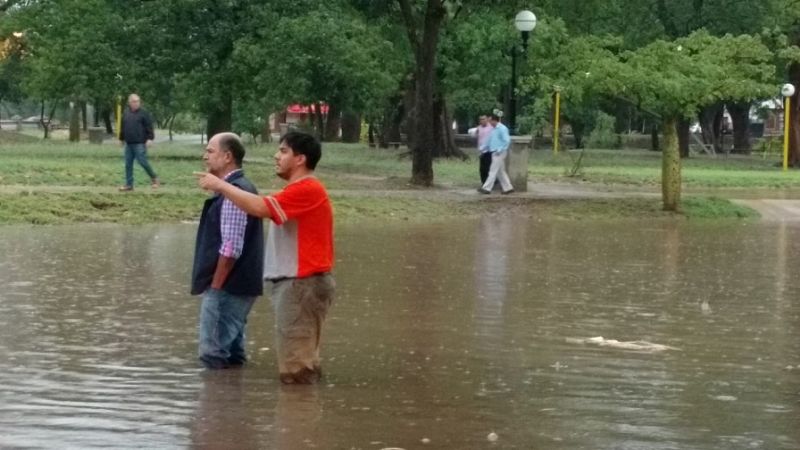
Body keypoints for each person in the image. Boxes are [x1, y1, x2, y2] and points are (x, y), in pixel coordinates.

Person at [195, 131, 335, 384]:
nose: (275, 156)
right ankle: (305, 414)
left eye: (283, 151)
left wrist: (220, 185)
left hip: (300, 284)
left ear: (300, 159)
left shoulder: (307, 188)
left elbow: (259, 208)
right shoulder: (298, 190)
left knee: (296, 370)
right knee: (303, 362)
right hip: (301, 284)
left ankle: (299, 417)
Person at [191, 132, 264, 369]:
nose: (205, 157)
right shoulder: (240, 188)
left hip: (227, 287)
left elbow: (231, 247)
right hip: (241, 284)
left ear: (228, 157)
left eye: (210, 151)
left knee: (212, 354)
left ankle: (214, 402)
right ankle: (230, 399)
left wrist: (216, 287)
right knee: (233, 353)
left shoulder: (234, 193)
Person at [119, 93, 159, 191]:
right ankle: (129, 185)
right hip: (129, 144)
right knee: (128, 164)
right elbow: (123, 127)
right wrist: (121, 139)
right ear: (130, 103)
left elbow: (149, 127)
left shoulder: (143, 113)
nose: (136, 103)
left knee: (142, 161)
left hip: (140, 143)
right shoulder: (126, 113)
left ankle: (154, 178)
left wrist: (150, 138)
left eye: (138, 101)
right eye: (134, 101)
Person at [477, 114, 514, 195]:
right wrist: (482, 148)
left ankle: (486, 188)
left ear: (495, 120)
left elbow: (507, 141)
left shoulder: (502, 128)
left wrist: (500, 149)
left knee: (492, 171)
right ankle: (508, 187)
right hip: (494, 152)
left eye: (490, 120)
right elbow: (489, 140)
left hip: (499, 152)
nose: (489, 122)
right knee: (500, 172)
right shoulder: (493, 129)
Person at [475, 115, 494, 184]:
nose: (482, 121)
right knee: (482, 169)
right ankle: (484, 183)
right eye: (480, 119)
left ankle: (489, 183)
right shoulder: (479, 128)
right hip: (481, 150)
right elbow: (475, 136)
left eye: (483, 119)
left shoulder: (491, 128)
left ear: (487, 119)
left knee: (487, 168)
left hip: (489, 150)